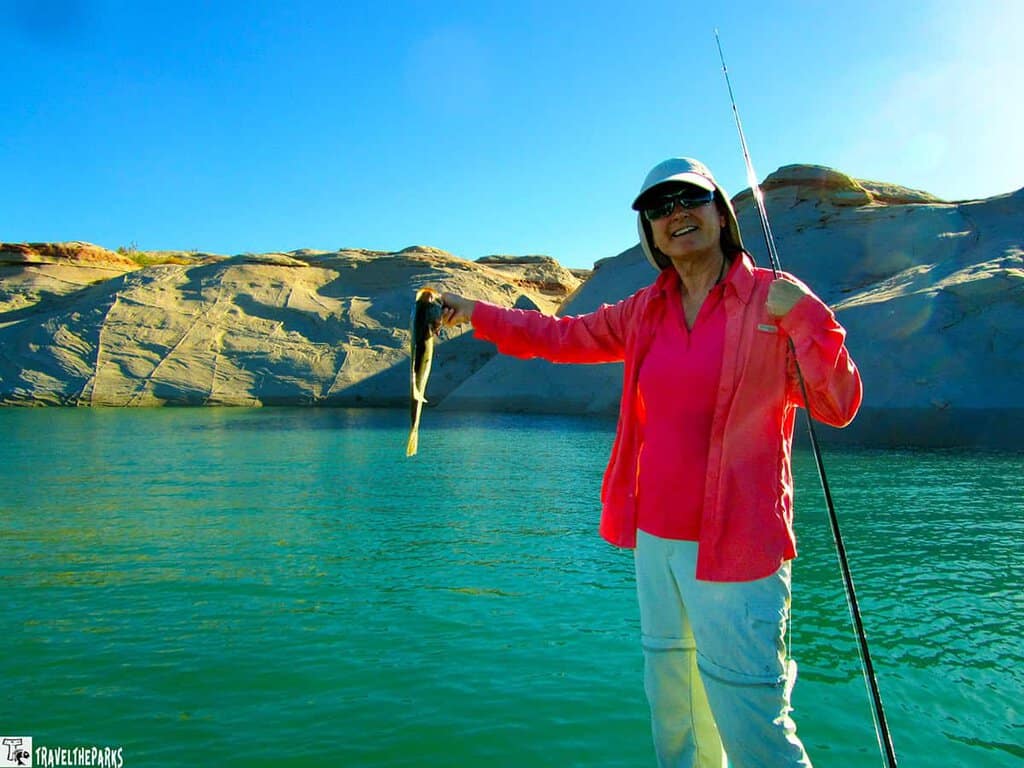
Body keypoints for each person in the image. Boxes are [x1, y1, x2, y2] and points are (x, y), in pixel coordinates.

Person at [441, 157, 862, 768]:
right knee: (675, 717)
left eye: (689, 200)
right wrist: (473, 311)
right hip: (656, 542)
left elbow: (839, 403)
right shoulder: (645, 310)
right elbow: (558, 337)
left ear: (720, 213)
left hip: (739, 546)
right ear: (650, 234)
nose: (676, 215)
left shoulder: (772, 300)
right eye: (659, 210)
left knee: (752, 720)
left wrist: (804, 316)